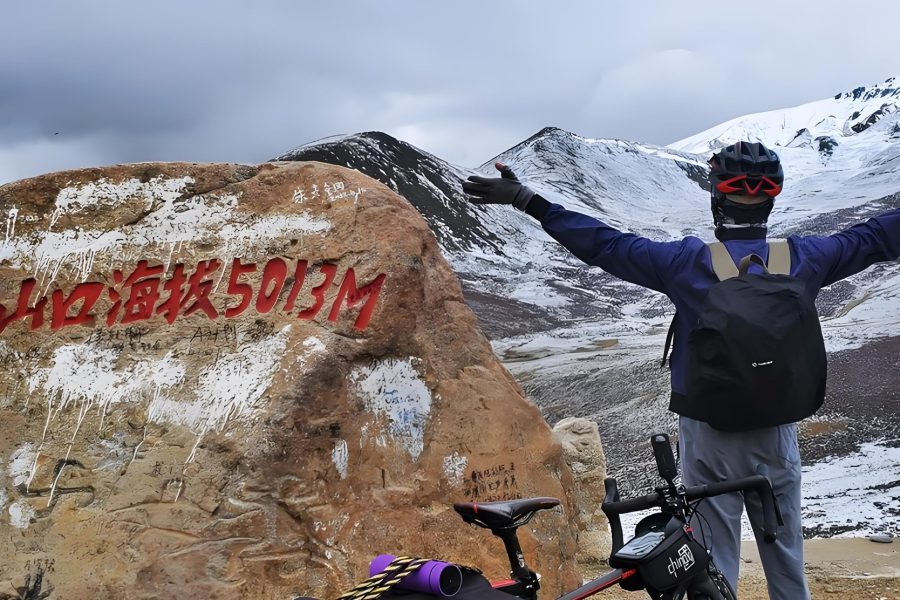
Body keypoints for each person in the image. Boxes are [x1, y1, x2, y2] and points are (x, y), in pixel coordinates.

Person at [461, 141, 900, 600]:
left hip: (709, 432)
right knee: (786, 555)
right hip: (777, 430)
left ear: (716, 196)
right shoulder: (806, 258)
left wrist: (526, 199)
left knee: (713, 555)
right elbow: (874, 237)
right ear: (773, 198)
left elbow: (606, 245)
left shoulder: (686, 263)